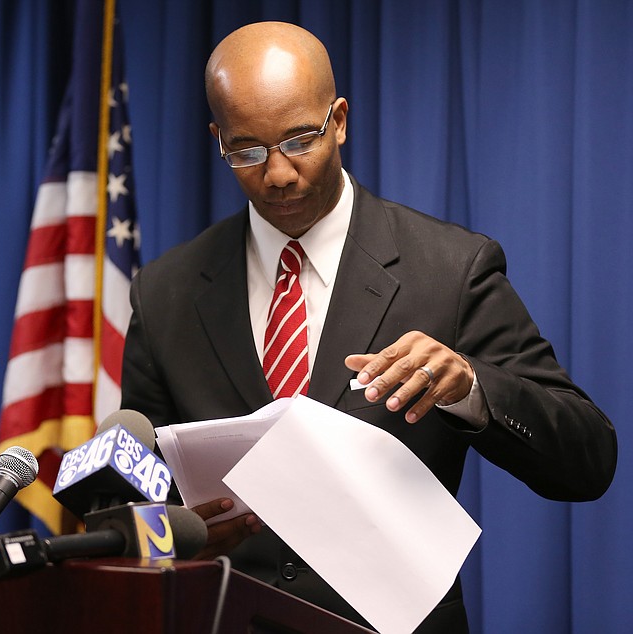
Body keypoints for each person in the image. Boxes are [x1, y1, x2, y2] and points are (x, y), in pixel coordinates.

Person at [120, 21, 617, 633]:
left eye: (301, 138)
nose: (277, 173)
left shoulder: (451, 270)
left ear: (341, 121)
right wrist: (172, 532)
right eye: (247, 149)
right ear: (217, 139)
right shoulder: (164, 293)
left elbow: (589, 460)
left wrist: (472, 390)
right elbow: (135, 490)